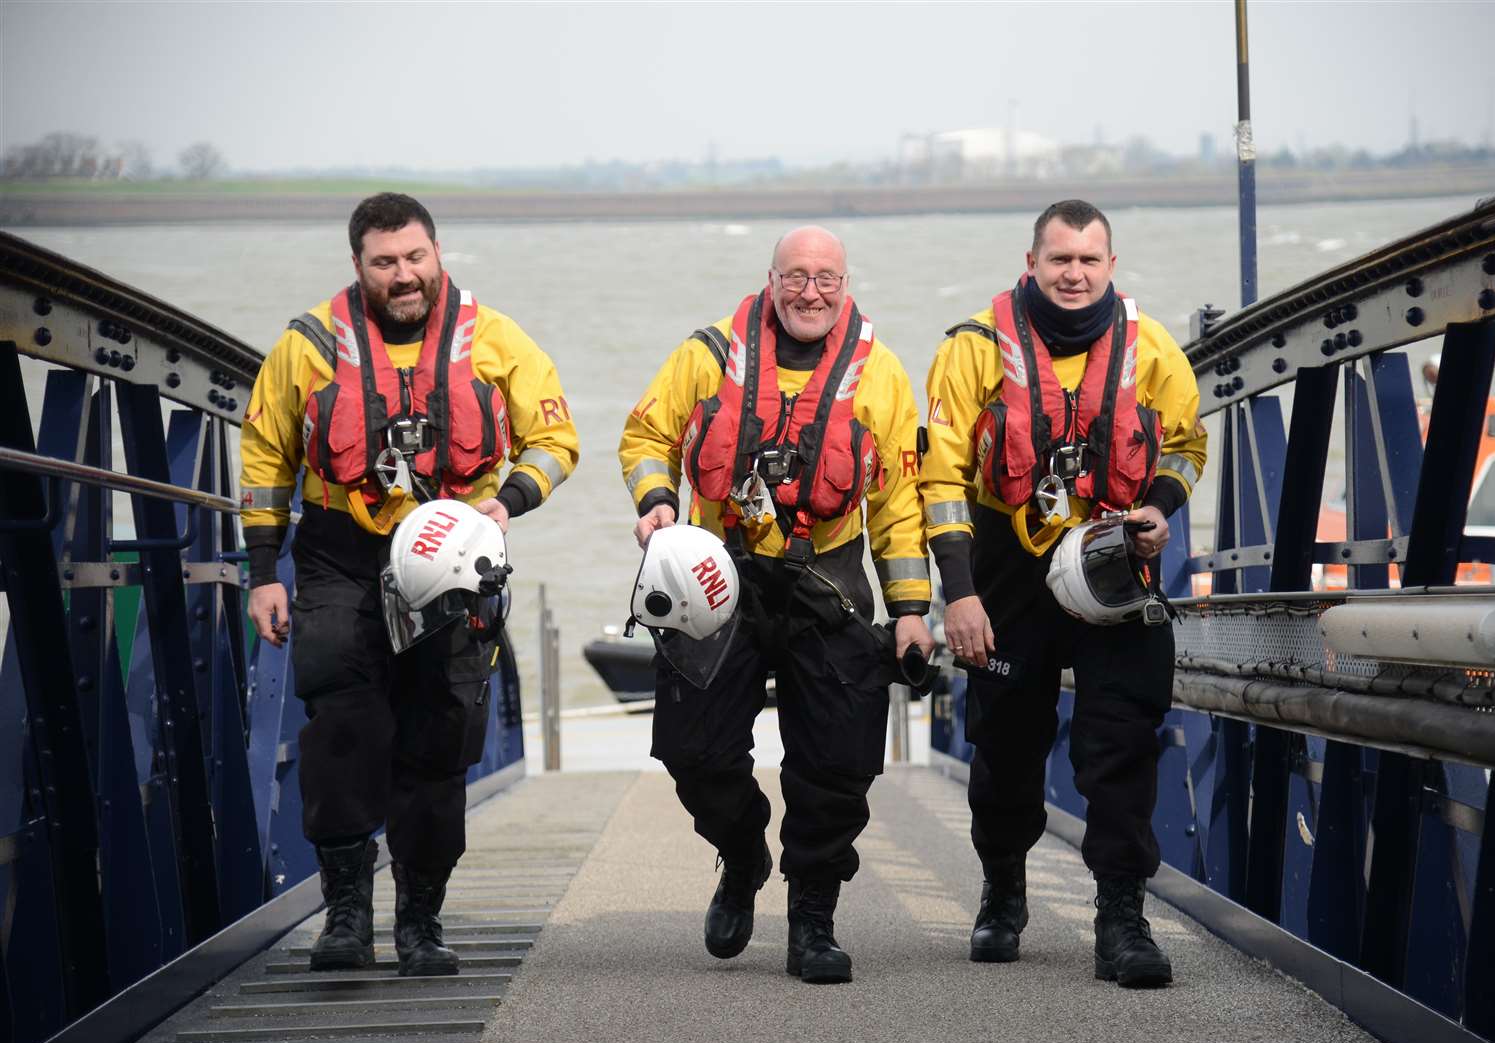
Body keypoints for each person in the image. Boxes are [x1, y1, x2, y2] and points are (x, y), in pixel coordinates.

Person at [239, 193, 578, 976]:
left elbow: (557, 438)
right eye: (385, 262)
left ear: (437, 253)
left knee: (437, 742)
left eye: (415, 258)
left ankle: (421, 922)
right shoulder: (307, 345)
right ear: (357, 265)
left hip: (455, 560)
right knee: (344, 729)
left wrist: (510, 499)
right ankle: (347, 919)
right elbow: (265, 460)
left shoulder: (494, 339)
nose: (404, 275)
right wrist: (263, 573)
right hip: (338, 557)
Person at [619, 226, 933, 984]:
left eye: (826, 278)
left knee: (836, 760)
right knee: (692, 751)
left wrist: (913, 607)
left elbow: (895, 503)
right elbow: (646, 435)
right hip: (718, 575)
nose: (810, 292)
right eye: (796, 277)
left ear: (846, 285)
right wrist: (658, 499)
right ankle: (741, 852)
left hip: (828, 578)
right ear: (770, 280)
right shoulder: (706, 355)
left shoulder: (881, 375)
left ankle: (813, 920)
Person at [919, 200, 1206, 988]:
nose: (1073, 274)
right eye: (1059, 261)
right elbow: (939, 478)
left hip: (1114, 559)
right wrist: (960, 595)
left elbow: (1185, 444)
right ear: (1032, 263)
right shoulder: (972, 349)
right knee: (1006, 741)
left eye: (1088, 260)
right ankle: (1003, 892)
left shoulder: (1151, 348)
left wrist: (1159, 509)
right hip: (1008, 569)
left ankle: (1122, 918)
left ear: (1111, 265)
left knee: (1120, 740)